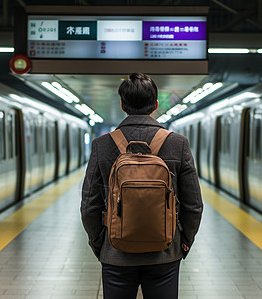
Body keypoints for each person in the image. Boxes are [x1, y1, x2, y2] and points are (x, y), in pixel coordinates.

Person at [81, 72, 203, 299]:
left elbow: (89, 205)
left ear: (122, 105)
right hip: (164, 253)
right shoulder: (178, 144)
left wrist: (100, 243)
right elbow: (193, 203)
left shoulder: (102, 145)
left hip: (115, 252)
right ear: (155, 104)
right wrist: (183, 241)